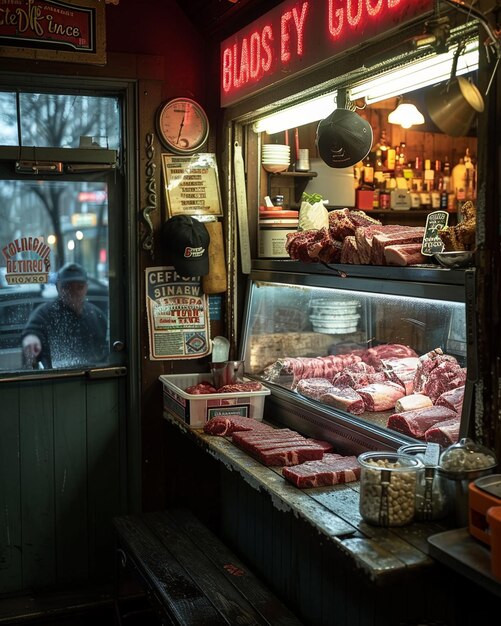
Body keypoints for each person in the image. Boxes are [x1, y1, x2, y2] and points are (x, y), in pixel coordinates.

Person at [21, 262, 108, 369]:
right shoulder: (45, 313)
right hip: (57, 379)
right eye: (67, 287)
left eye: (79, 287)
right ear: (58, 288)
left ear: (86, 287)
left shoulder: (96, 315)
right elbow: (32, 331)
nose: (74, 292)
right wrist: (31, 340)